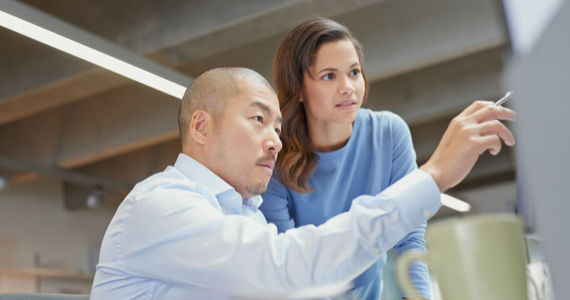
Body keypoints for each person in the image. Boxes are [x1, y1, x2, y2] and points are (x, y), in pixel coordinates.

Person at [90, 67, 515, 300]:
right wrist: (433, 174)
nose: (275, 140)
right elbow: (287, 268)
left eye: (277, 126)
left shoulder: (247, 219)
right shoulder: (160, 205)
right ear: (201, 126)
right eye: (258, 119)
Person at [260, 18, 517, 300]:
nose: (348, 87)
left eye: (354, 72)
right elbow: (286, 272)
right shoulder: (272, 159)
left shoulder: (388, 133)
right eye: (329, 76)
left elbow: (410, 234)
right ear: (297, 88)